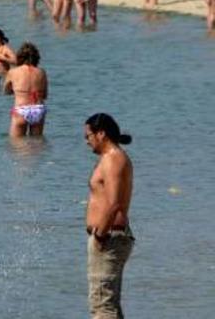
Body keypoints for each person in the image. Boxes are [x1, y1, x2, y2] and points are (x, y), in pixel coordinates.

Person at [84, 113, 134, 319]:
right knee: (109, 304)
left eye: (88, 136)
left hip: (109, 237)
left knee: (102, 307)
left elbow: (114, 204)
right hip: (109, 236)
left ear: (101, 134)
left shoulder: (113, 159)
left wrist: (99, 236)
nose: (86, 141)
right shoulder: (110, 158)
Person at [4, 42, 48, 137]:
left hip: (21, 109)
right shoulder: (42, 72)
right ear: (36, 57)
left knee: (17, 146)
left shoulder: (13, 72)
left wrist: (17, 90)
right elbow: (45, 95)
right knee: (37, 144)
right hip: (38, 109)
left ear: (19, 57)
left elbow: (6, 91)